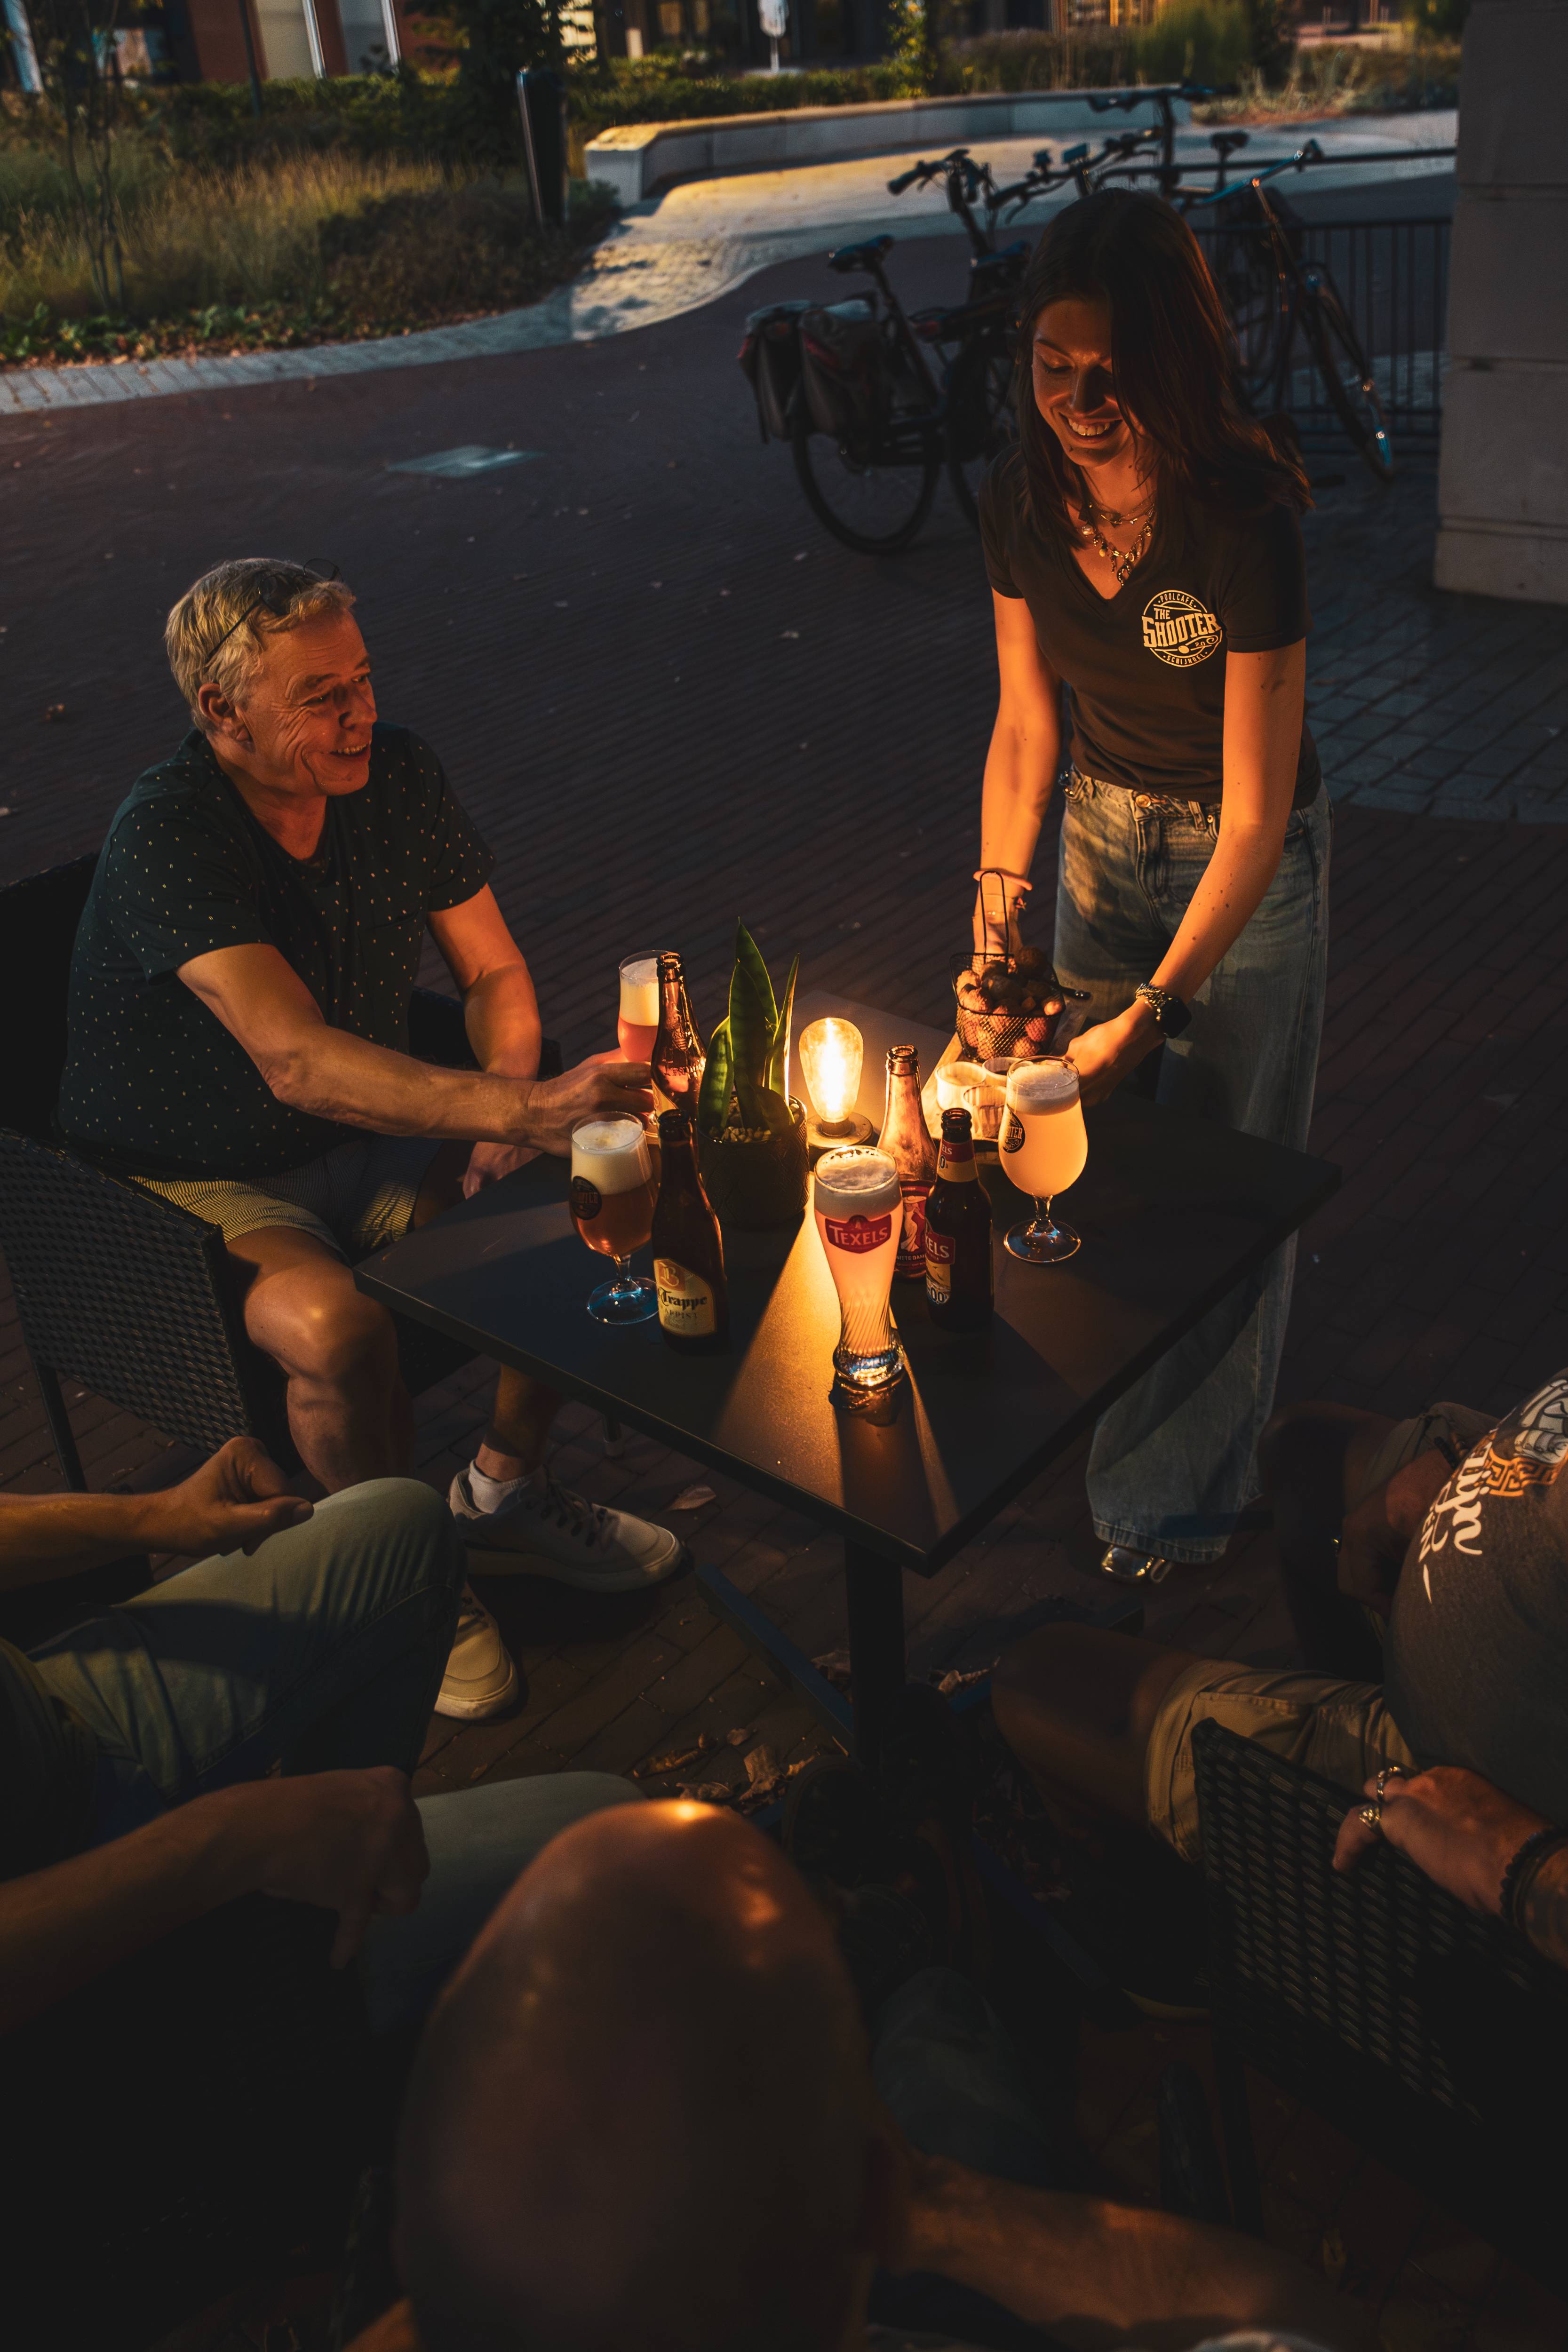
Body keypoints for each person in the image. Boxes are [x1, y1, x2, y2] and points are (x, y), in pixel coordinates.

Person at [58, 558, 685, 1721]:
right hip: (205, 1176)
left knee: (588, 1185)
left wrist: (512, 1101)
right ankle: (411, 1581)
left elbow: (492, 967)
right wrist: (514, 1107)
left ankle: (502, 1491)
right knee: (337, 1327)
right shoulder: (170, 832)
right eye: (320, 696)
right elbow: (293, 1057)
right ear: (222, 712)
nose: (361, 717)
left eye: (363, 679)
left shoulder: (392, 774)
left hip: (376, 1130)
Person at [384, 1799, 1363, 2352]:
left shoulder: (486, 2305)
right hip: (916, 2261)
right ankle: (910, 1925)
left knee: (922, 2024)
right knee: (939, 2034)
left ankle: (894, 1931)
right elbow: (1301, 2325)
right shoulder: (858, 2227)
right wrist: (924, 2204)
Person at [976, 191, 1329, 1586]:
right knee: (1094, 1172)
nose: (1074, 400)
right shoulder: (1019, 498)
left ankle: (1174, 1503)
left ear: (1171, 361)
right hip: (1096, 837)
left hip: (1242, 868)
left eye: (1106, 373)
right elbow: (1021, 727)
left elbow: (1254, 805)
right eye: (1050, 368)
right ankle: (1121, 1443)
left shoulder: (1244, 513)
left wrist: (1158, 1005)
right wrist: (997, 924)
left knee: (1226, 1181)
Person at [0, 1436, 637, 2036]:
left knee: (405, 1522)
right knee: (621, 1845)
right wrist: (230, 1841)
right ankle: (308, 1992)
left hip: (47, 1696)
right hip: (57, 1906)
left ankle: (341, 1895)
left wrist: (154, 1517)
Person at [990, 1365, 1568, 1934]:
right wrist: (1456, 1456)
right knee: (1303, 1451)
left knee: (1036, 1681)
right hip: (1502, 1502)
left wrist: (1516, 1858)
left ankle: (1184, 1950)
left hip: (1482, 1791)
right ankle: (1352, 1683)